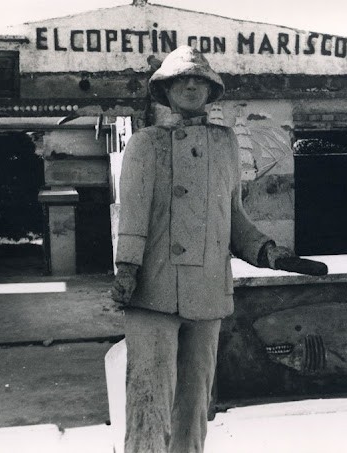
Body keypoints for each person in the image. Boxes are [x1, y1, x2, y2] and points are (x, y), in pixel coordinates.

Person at [112, 45, 294, 453]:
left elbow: (233, 217)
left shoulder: (226, 144)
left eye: (200, 80)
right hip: (154, 289)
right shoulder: (146, 143)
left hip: (207, 289)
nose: (191, 86)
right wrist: (126, 268)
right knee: (149, 400)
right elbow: (133, 216)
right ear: (165, 90)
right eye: (182, 80)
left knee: (195, 405)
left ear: (212, 91)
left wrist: (267, 251)